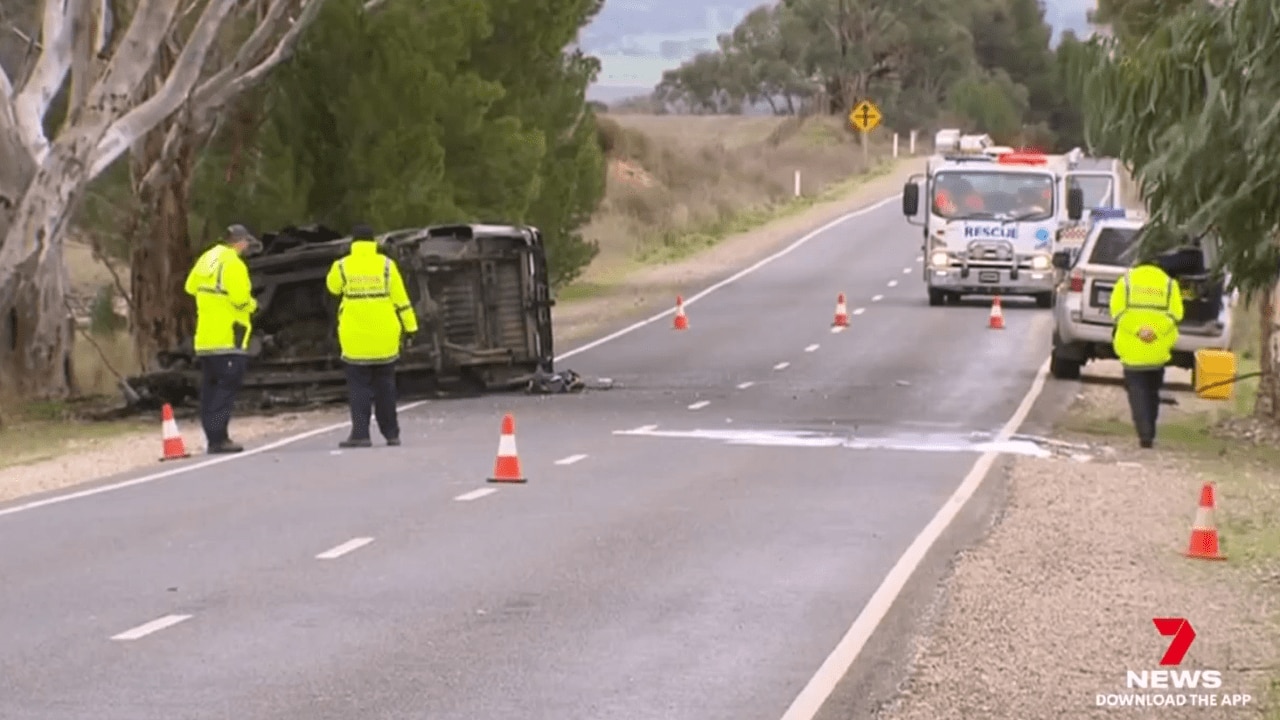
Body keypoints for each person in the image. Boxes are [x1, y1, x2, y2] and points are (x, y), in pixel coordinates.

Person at [326, 223, 419, 448]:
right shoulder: (387, 266)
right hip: (385, 336)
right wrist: (411, 328)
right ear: (374, 242)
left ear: (353, 243)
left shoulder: (341, 266)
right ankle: (391, 433)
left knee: (359, 388)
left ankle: (360, 434)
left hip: (355, 336)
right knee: (386, 386)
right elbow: (402, 300)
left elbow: (333, 288)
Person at [184, 224, 262, 454]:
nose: (246, 246)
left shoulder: (208, 257)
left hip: (206, 337)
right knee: (225, 389)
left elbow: (190, 287)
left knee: (210, 389)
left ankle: (212, 436)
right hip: (229, 337)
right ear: (239, 242)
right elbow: (240, 300)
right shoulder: (234, 264)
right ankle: (219, 439)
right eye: (245, 242)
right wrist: (254, 305)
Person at [1109, 250, 1184, 449]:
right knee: (1153, 390)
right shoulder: (1169, 284)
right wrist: (1154, 333)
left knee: (1137, 391)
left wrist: (1139, 331)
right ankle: (1150, 427)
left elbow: (1117, 312)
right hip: (1158, 348)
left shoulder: (1125, 282)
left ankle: (1145, 433)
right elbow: (1176, 315)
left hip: (1132, 346)